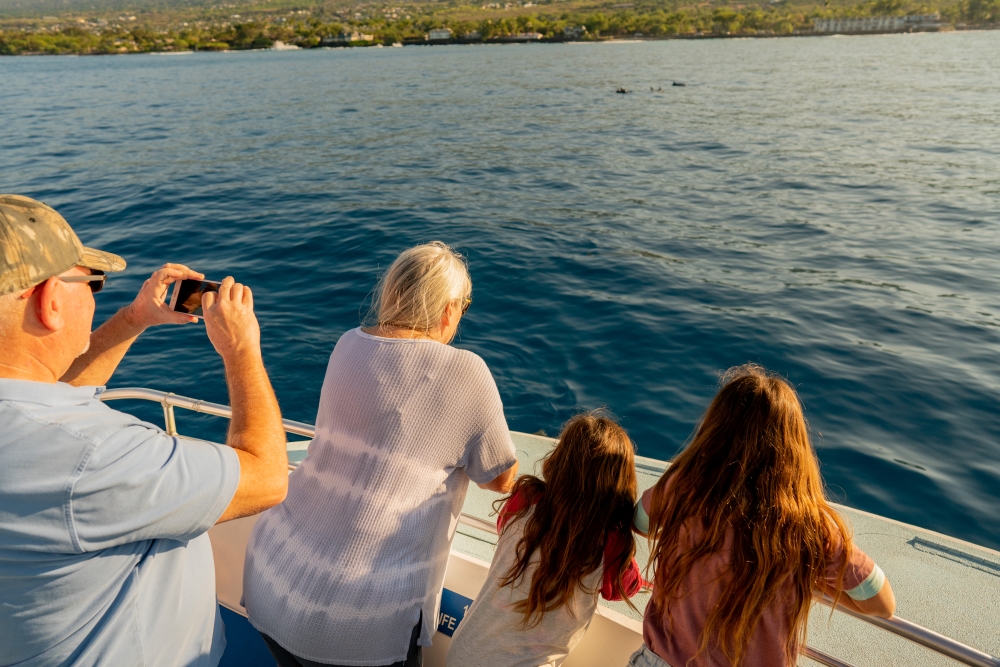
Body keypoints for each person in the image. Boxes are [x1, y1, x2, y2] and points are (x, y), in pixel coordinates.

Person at [0, 194, 289, 666]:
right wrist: (241, 350)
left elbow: (48, 396)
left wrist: (135, 318)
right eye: (92, 283)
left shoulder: (31, 429)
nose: (96, 295)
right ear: (50, 300)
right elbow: (267, 476)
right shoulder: (95, 455)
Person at [243, 241, 520, 667]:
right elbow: (500, 477)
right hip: (358, 618)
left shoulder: (347, 344)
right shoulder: (467, 371)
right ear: (449, 310)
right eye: (464, 306)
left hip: (272, 572)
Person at [629, 364, 896, 667]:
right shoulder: (811, 526)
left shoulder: (682, 489)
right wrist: (815, 582)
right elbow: (882, 603)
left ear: (715, 430)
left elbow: (641, 524)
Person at [447, 411, 645, 667]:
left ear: (559, 460)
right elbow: (625, 589)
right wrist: (626, 525)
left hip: (463, 653)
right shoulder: (611, 542)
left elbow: (503, 527)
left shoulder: (525, 497)